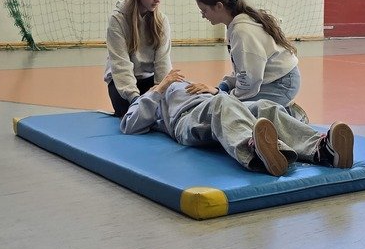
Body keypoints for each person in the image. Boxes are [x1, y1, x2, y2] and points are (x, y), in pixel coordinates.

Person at [121, 70, 353, 177]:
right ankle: (257, 152)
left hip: (216, 105)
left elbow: (224, 102)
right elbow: (129, 125)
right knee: (222, 103)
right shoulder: (151, 97)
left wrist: (213, 90)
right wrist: (159, 89)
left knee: (264, 106)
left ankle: (322, 149)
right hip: (188, 120)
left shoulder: (187, 85)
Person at [195, 0, 302, 108]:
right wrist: (225, 86)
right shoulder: (236, 25)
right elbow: (243, 70)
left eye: (204, 11)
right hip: (273, 80)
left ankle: (292, 115)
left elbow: (250, 81)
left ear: (219, 6)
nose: (203, 16)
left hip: (282, 84)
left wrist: (221, 94)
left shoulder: (241, 31)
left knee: (230, 109)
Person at [104, 0, 172, 117]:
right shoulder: (117, 20)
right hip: (122, 82)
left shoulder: (161, 21)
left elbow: (163, 62)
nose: (158, 0)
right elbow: (120, 64)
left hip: (149, 80)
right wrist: (134, 98)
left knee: (163, 113)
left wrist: (160, 91)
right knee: (135, 115)